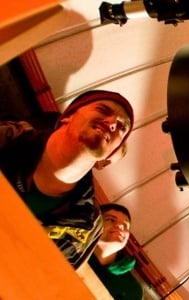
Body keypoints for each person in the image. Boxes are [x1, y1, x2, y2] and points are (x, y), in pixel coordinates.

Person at [0, 90, 135, 268]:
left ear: (111, 153)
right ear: (68, 115)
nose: (111, 123)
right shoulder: (7, 138)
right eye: (102, 110)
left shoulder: (88, 229)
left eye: (122, 127)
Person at [89, 203, 143, 300]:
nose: (120, 226)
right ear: (94, 222)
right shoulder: (71, 252)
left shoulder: (132, 289)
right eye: (111, 220)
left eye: (125, 225)